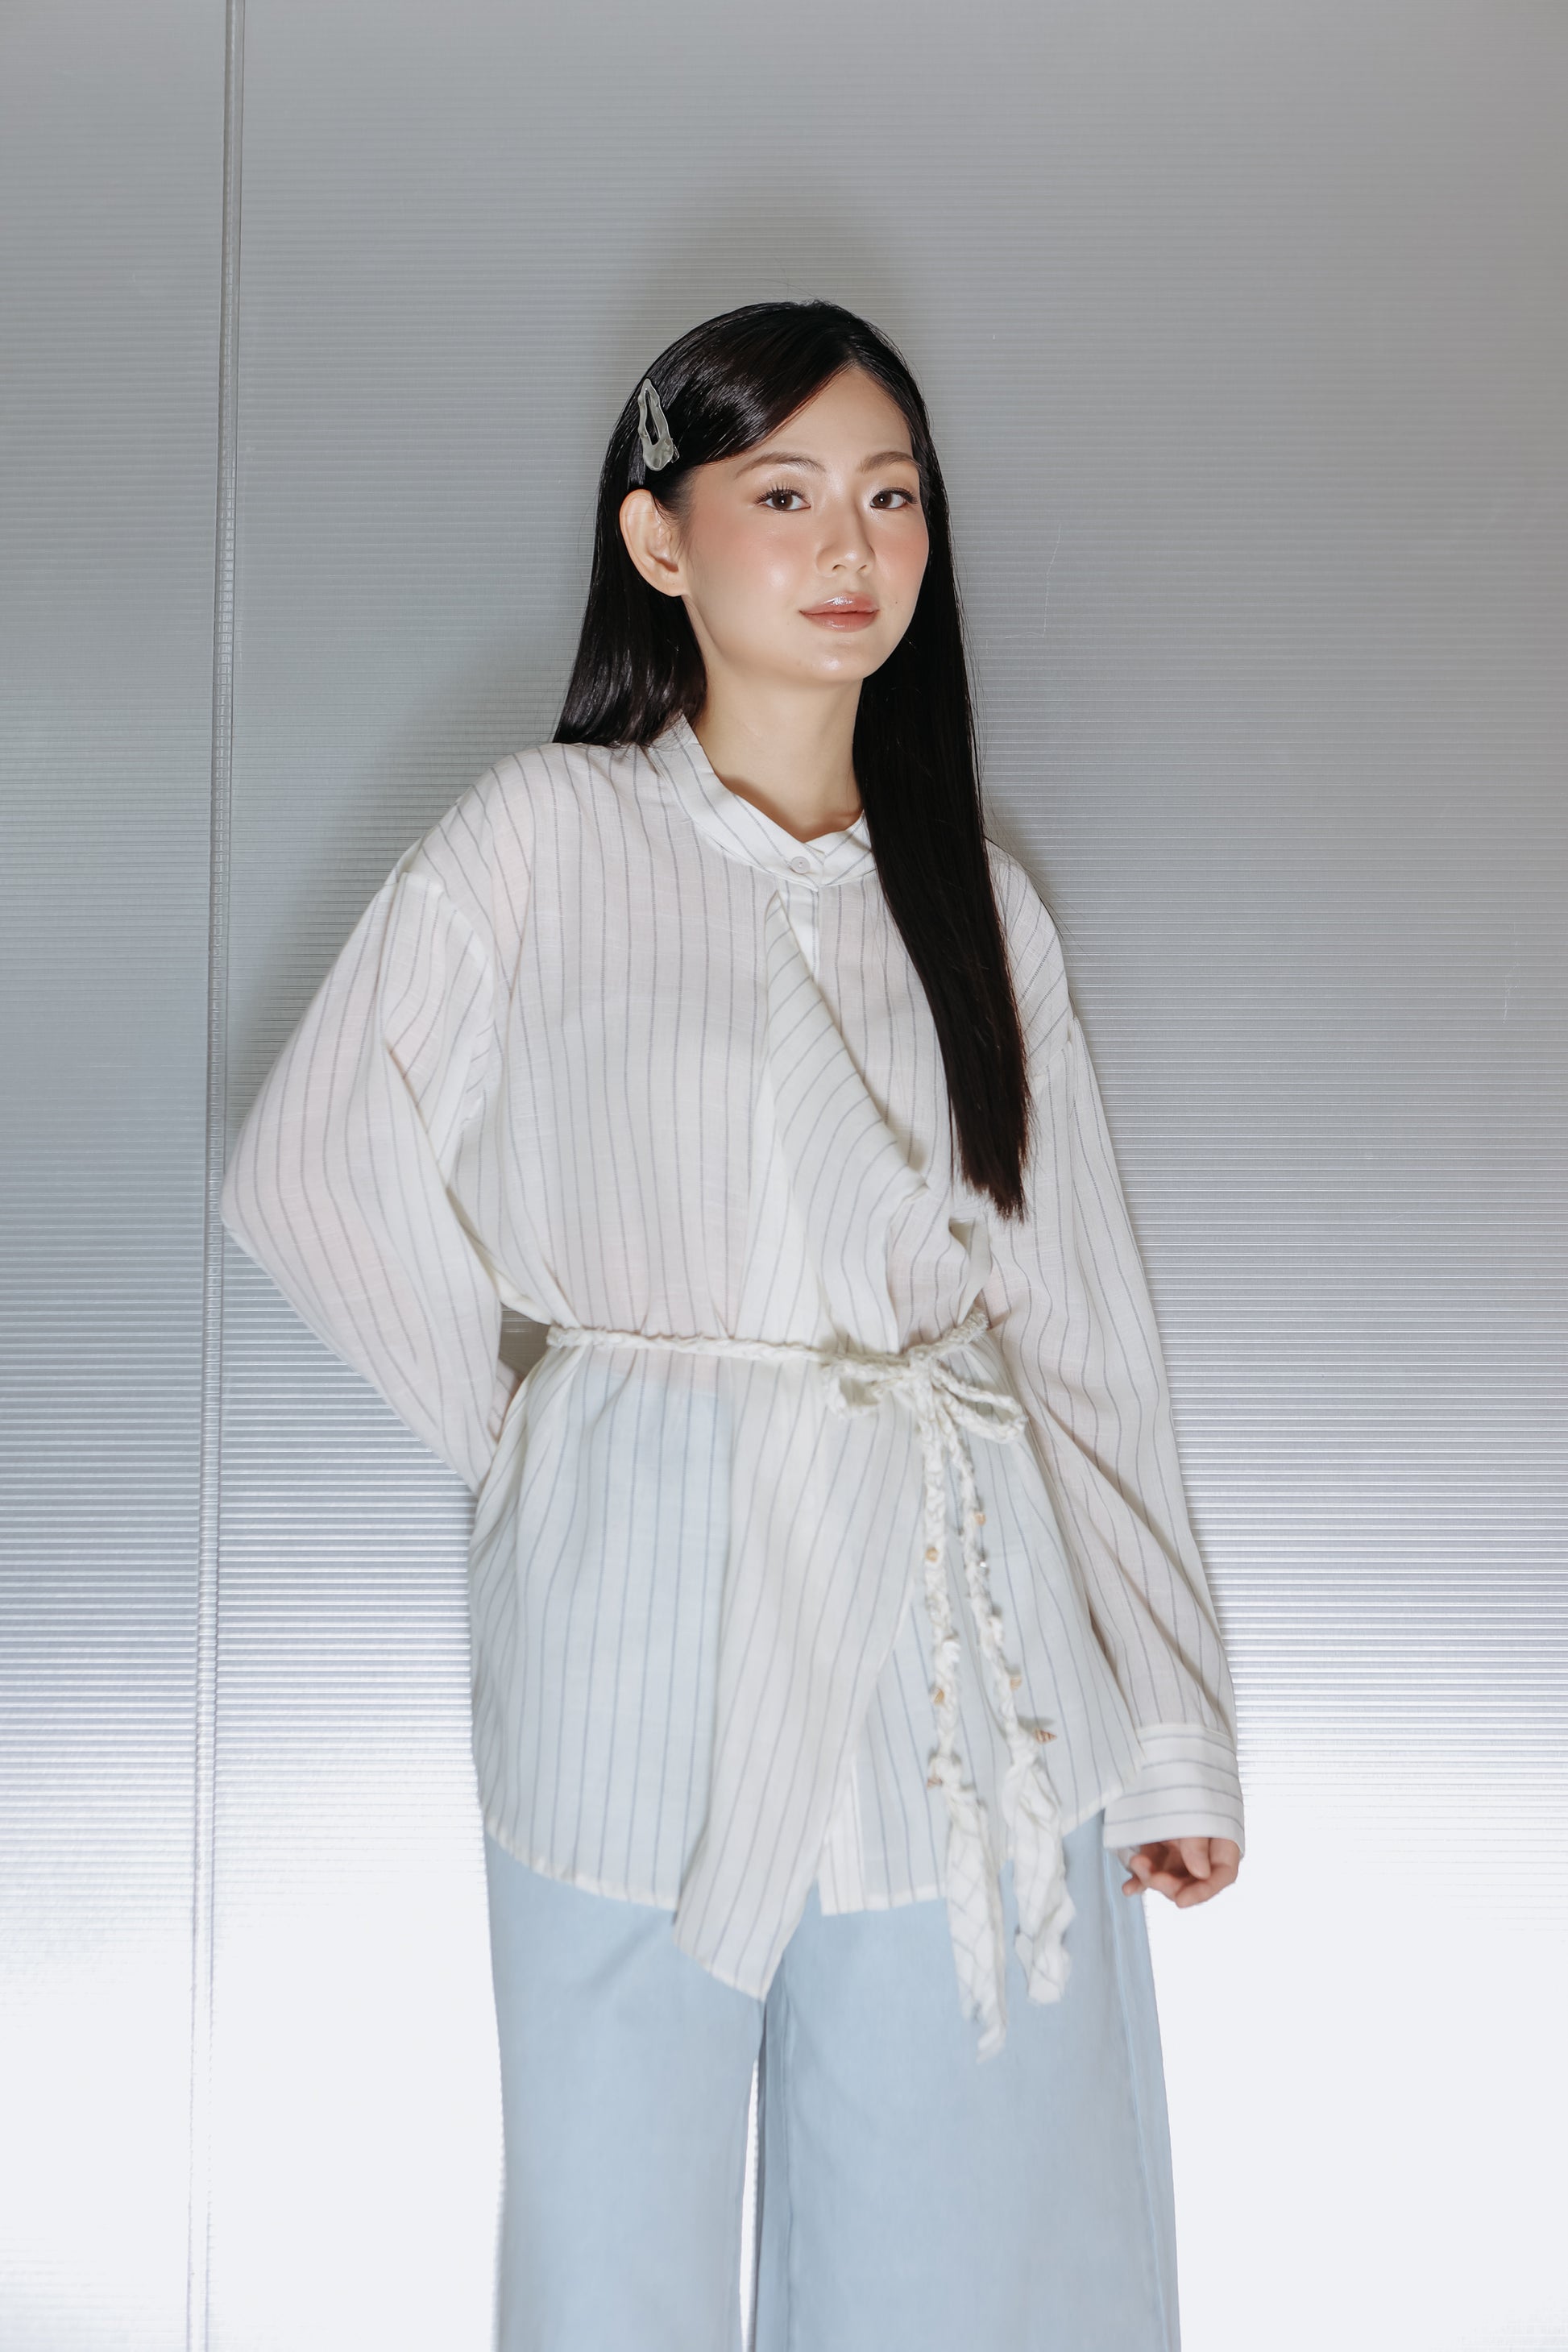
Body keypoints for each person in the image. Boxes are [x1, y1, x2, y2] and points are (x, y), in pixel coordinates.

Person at [221, 297, 1244, 2352]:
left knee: (975, 2249)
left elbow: (1079, 1331)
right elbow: (311, 1169)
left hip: (957, 1649)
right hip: (633, 1635)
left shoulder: (978, 908)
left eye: (891, 496)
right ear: (658, 538)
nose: (850, 544)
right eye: (783, 495)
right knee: (612, 2255)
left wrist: (1166, 1719)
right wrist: (542, 1438)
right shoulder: (542, 838)